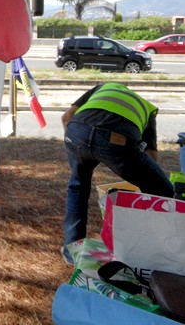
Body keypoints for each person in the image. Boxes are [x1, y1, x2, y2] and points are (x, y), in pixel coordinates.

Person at [60, 82, 174, 265]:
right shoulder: (148, 108)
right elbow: (151, 157)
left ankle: (71, 252)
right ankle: (148, 249)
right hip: (117, 139)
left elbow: (66, 117)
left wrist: (77, 145)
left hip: (76, 131)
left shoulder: (102, 87)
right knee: (164, 191)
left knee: (77, 186)